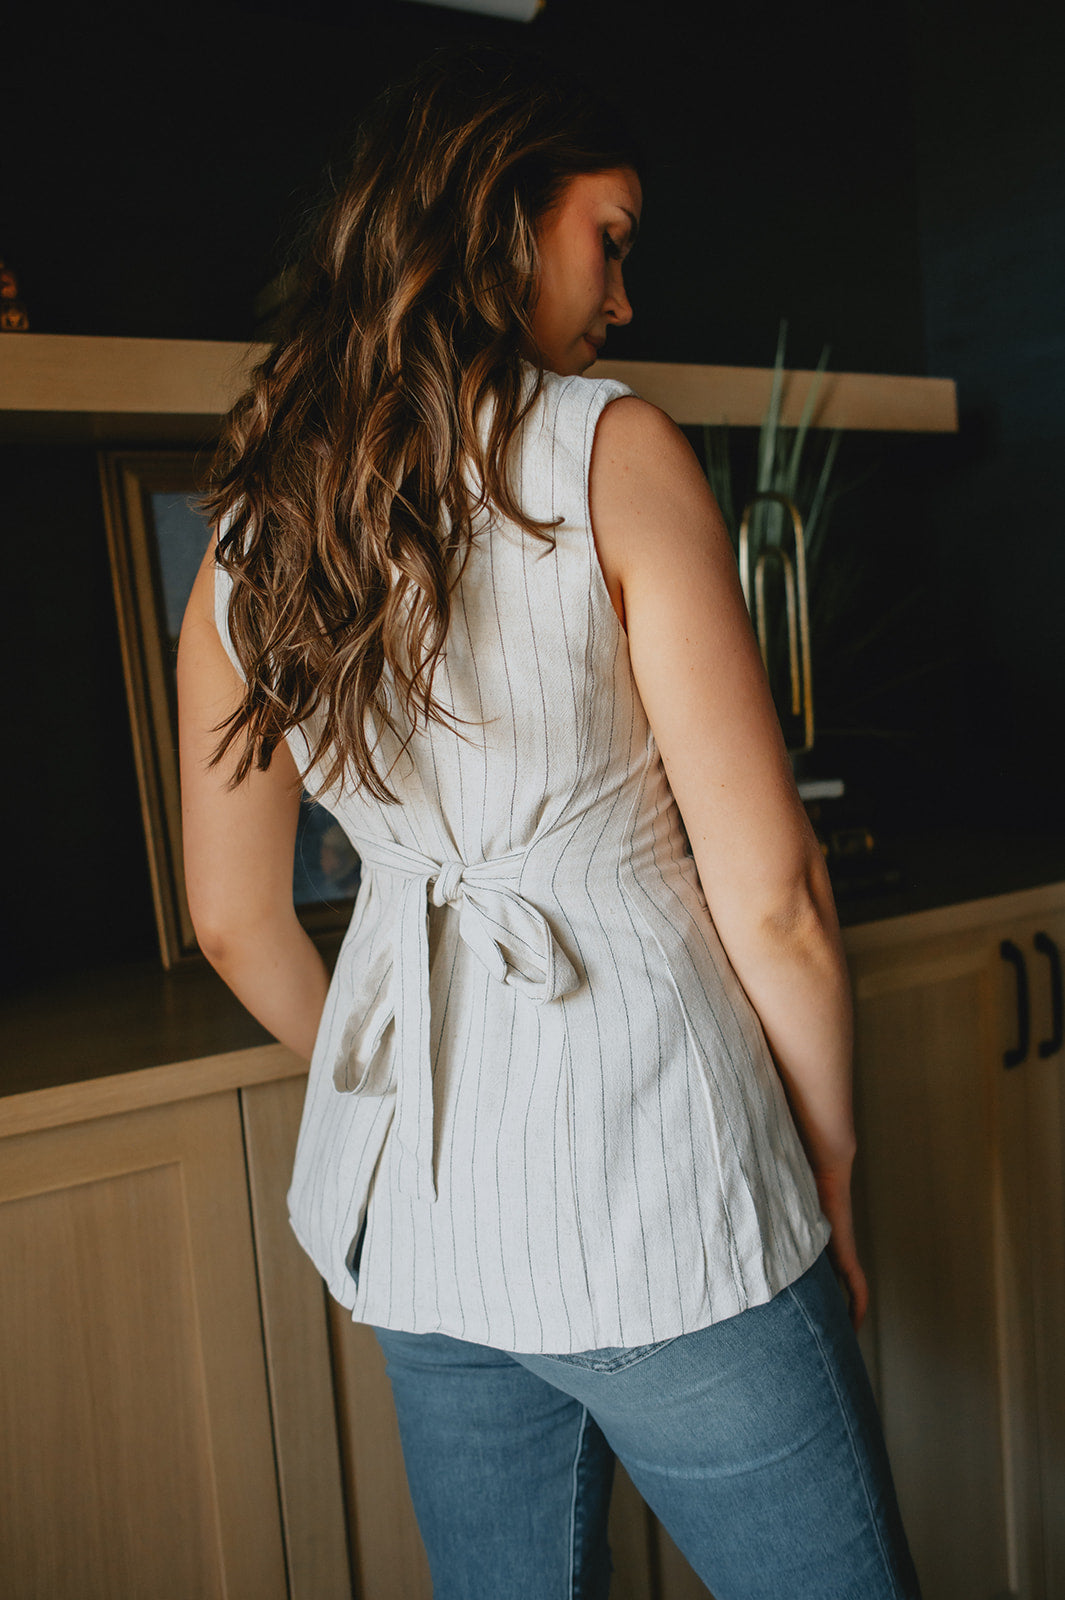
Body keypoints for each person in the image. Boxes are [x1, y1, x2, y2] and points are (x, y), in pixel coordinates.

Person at [177, 42, 923, 1600]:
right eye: (611, 237)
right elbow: (773, 896)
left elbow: (235, 924)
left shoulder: (252, 520)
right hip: (664, 1190)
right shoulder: (606, 445)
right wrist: (828, 1163)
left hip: (415, 1220)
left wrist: (416, 1094)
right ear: (501, 215)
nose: (623, 296)